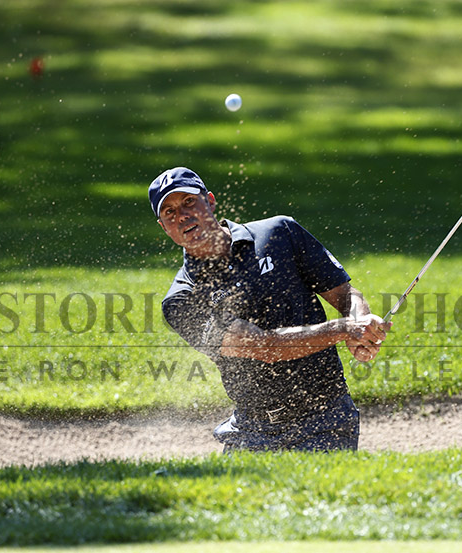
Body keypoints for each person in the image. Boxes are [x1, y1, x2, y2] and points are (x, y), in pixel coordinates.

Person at [149, 167, 391, 452]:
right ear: (164, 227)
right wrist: (344, 329)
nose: (182, 216)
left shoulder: (279, 233)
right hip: (251, 429)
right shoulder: (182, 300)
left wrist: (362, 326)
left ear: (210, 201)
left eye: (189, 202)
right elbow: (264, 347)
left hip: (325, 416)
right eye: (170, 212)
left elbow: (345, 294)